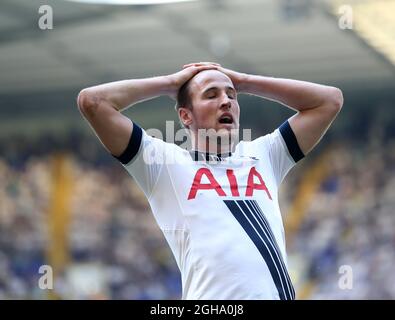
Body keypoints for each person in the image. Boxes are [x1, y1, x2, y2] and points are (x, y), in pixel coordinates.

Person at [77, 62, 343, 300]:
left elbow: (330, 100)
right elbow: (92, 102)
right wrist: (170, 84)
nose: (226, 101)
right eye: (211, 95)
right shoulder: (164, 165)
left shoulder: (265, 155)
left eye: (231, 94)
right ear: (185, 116)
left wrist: (245, 81)